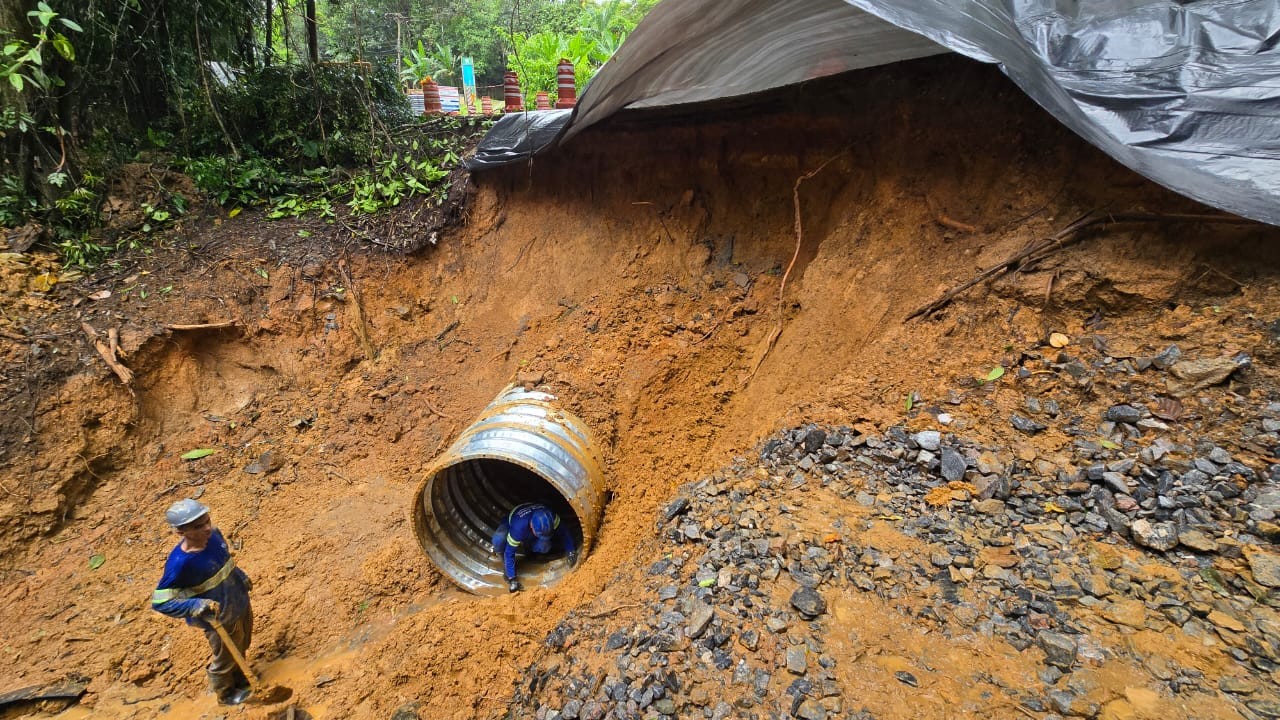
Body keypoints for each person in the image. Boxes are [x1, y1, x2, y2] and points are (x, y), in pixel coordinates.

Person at [150, 499, 255, 705]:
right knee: (224, 657)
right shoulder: (180, 563)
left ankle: (242, 678)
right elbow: (160, 602)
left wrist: (240, 576)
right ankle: (226, 694)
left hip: (238, 601)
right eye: (198, 527)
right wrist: (193, 606)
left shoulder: (214, 535)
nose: (207, 528)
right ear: (181, 532)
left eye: (207, 521)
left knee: (242, 642)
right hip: (218, 618)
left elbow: (226, 562)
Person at [492, 502, 579, 592]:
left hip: (532, 520)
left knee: (544, 546)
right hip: (512, 521)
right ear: (532, 527)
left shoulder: (551, 516)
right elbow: (509, 552)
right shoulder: (518, 527)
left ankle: (530, 550)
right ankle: (505, 565)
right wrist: (512, 579)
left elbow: (564, 532)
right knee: (498, 540)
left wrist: (571, 550)